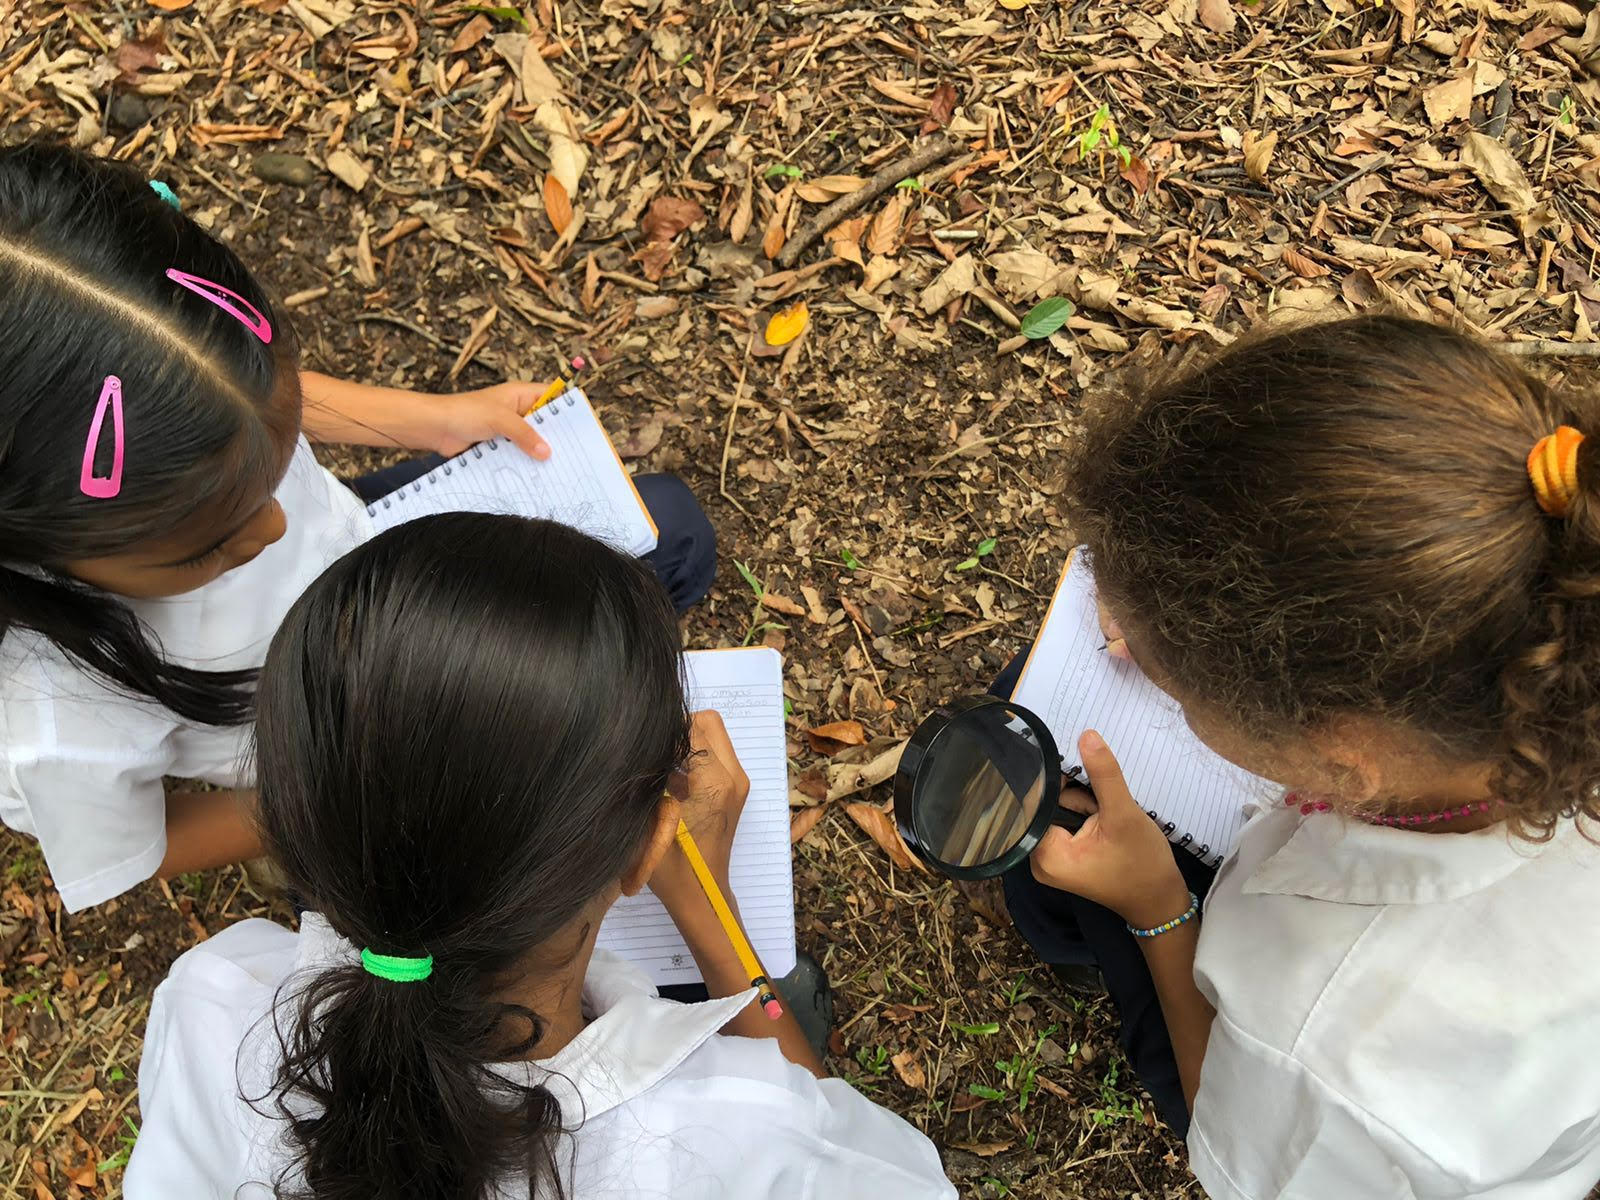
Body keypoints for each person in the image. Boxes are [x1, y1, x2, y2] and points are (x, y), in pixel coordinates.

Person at [124, 514, 955, 1200]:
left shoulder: (215, 1000)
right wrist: (711, 912)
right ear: (646, 849)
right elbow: (837, 1129)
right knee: (785, 1003)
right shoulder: (758, 1141)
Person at [0, 142, 714, 912]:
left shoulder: (183, 424)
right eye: (212, 544)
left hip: (375, 556)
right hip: (339, 762)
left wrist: (434, 420)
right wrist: (327, 804)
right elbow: (141, 849)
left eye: (281, 456)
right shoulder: (49, 718)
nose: (272, 528)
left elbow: (245, 403)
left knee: (668, 531)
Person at [1000, 315, 1600, 1198]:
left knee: (1062, 857)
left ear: (1343, 759)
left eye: (1177, 689)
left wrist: (1157, 905)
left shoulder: (1320, 1047)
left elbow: (1228, 1121)